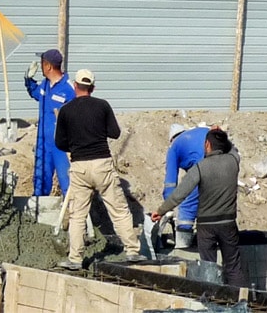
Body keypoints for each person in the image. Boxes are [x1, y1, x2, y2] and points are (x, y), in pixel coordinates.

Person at [53, 69, 145, 270]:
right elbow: (115, 133)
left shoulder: (66, 111)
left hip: (79, 166)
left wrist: (76, 145)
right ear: (92, 88)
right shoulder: (102, 106)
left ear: (75, 86)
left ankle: (75, 258)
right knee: (119, 210)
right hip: (102, 163)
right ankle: (132, 250)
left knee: (77, 215)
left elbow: (60, 142)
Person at [152, 128, 245, 288]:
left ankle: (212, 303)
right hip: (228, 223)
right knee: (233, 266)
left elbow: (178, 195)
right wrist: (222, 137)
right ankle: (241, 303)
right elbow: (233, 150)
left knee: (208, 268)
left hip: (206, 227)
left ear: (207, 144)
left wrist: (160, 211)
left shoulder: (200, 168)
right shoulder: (233, 162)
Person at [23, 49, 74, 196]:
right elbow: (35, 93)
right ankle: (38, 214)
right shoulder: (45, 85)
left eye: (42, 63)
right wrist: (29, 80)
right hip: (43, 144)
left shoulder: (69, 90)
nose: (40, 67)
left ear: (48, 67)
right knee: (40, 182)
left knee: (67, 183)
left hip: (61, 147)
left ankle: (73, 216)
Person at [161, 125, 214, 250]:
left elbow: (170, 183)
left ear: (171, 139)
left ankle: (183, 247)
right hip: (228, 163)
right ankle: (214, 240)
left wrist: (169, 206)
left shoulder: (175, 146)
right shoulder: (199, 134)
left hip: (207, 166)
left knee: (187, 207)